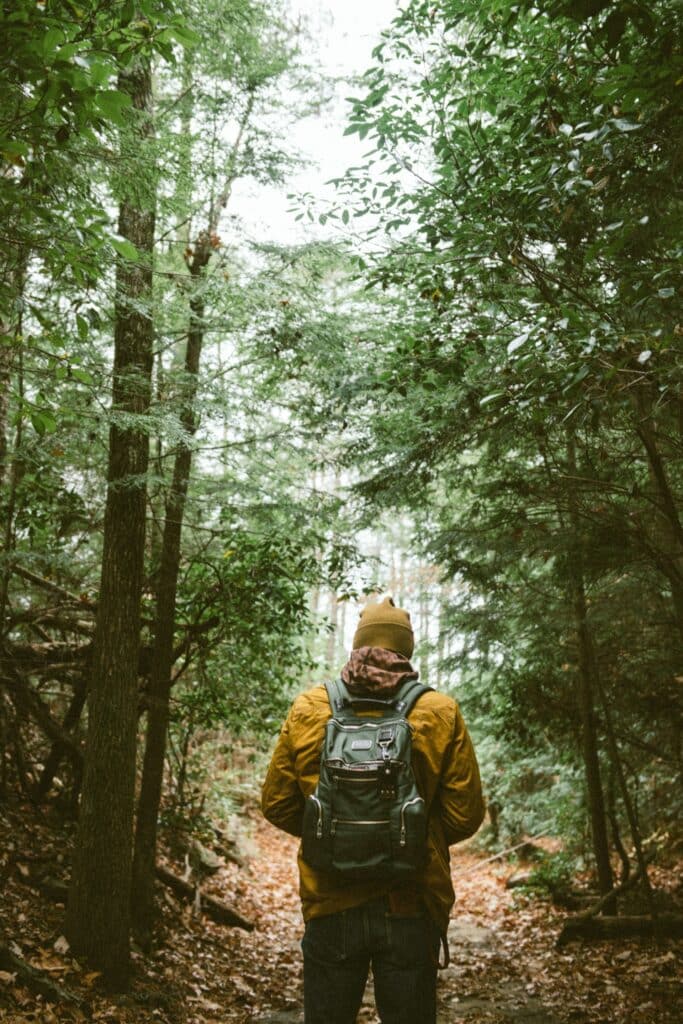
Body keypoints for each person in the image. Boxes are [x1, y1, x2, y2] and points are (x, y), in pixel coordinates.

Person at [261, 595, 485, 1024]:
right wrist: (407, 835)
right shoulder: (439, 712)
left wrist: (332, 835)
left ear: (357, 645)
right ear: (406, 650)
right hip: (410, 900)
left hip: (330, 899)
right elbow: (465, 815)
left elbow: (275, 804)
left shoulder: (311, 708)